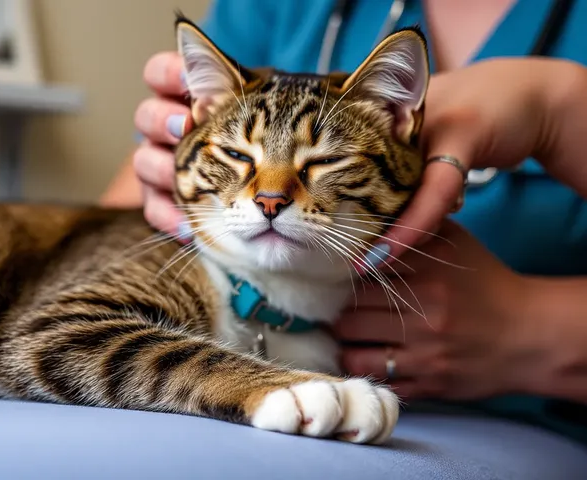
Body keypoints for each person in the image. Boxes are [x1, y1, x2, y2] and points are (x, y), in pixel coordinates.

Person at [97, 0, 587, 465]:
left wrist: (531, 331)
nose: (272, 197)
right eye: (241, 159)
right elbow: (109, 245)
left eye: (327, 161)